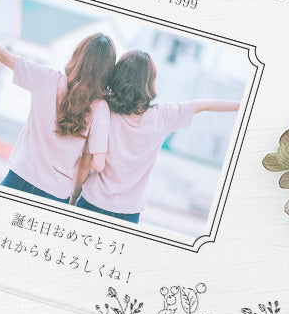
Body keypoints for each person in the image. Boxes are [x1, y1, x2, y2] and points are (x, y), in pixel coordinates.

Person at [77, 50, 240, 223]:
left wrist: (74, 196)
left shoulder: (104, 110)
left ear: (117, 76)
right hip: (128, 212)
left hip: (93, 201)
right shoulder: (162, 116)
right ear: (149, 83)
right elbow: (204, 105)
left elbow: (86, 162)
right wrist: (242, 105)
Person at [0, 33, 115, 203]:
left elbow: (3, 56)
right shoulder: (100, 108)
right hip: (55, 193)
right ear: (107, 71)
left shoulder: (46, 78)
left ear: (77, 55)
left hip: (20, 177)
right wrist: (74, 197)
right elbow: (86, 163)